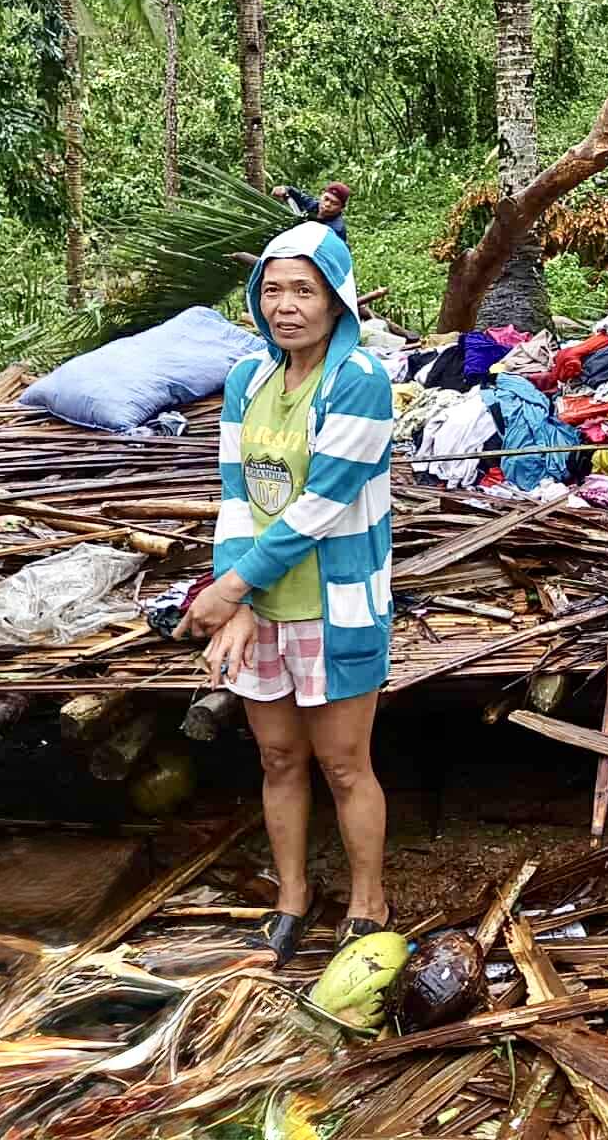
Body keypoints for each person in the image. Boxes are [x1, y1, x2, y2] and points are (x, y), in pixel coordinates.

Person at [180, 221, 394, 966]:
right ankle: (292, 900)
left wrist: (230, 585)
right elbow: (236, 494)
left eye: (304, 290)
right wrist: (236, 602)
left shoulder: (359, 381)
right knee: (277, 758)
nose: (286, 306)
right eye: (272, 290)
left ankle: (369, 905)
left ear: (336, 300)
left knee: (343, 762)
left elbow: (320, 507)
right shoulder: (248, 381)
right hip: (264, 608)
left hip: (336, 606)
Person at [272, 181, 351, 242]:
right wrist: (285, 189)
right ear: (321, 196)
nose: (327, 204)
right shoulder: (314, 206)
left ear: (341, 208)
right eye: (326, 199)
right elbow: (298, 195)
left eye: (334, 203)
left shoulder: (336, 230)